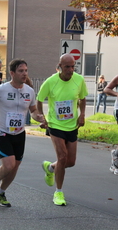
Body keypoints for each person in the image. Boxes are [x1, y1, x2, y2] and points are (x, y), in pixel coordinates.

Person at [0, 59, 45, 207]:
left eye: (26, 70)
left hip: (19, 133)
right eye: (21, 71)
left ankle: (1, 193)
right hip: (2, 131)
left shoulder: (29, 91)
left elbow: (32, 110)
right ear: (12, 73)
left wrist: (38, 117)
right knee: (9, 164)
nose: (24, 73)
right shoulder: (1, 89)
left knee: (15, 166)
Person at [37, 54, 88, 206]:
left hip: (72, 125)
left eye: (73, 66)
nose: (71, 70)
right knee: (62, 157)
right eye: (67, 67)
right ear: (59, 66)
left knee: (70, 162)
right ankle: (58, 192)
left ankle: (50, 167)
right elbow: (39, 99)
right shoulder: (51, 81)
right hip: (55, 124)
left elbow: (83, 98)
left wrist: (82, 115)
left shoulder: (79, 80)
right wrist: (42, 117)